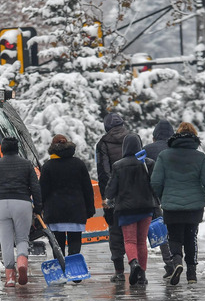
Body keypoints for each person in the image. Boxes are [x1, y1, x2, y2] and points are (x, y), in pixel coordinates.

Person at [150, 122, 205, 285]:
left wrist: (162, 197)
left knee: (174, 237)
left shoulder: (164, 156)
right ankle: (192, 275)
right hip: (194, 206)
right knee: (191, 236)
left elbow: (155, 181)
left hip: (171, 205)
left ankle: (177, 262)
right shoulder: (200, 157)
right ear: (195, 137)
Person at [0, 137, 42, 287]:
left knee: (5, 240)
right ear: (17, 149)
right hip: (22, 203)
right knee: (22, 238)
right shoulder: (26, 165)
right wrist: (38, 207)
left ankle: (10, 277)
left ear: (3, 150)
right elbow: (35, 188)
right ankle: (22, 262)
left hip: (1, 204)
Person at [104, 134, 158, 286]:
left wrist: (108, 199)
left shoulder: (118, 165)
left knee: (129, 240)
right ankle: (143, 275)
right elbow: (155, 185)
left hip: (126, 209)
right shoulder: (149, 163)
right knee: (142, 241)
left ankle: (134, 263)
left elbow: (110, 190)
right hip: (146, 208)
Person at [40, 134, 96, 259]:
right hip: (75, 211)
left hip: (55, 213)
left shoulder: (48, 166)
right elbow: (87, 188)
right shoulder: (78, 164)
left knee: (58, 245)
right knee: (75, 242)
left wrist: (38, 208)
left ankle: (61, 270)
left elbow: (42, 191)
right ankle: (74, 268)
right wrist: (90, 208)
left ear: (52, 147)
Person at [95, 112, 131, 282]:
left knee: (115, 232)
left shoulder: (102, 144)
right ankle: (137, 266)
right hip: (134, 192)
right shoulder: (133, 138)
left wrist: (107, 198)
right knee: (133, 233)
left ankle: (119, 271)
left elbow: (103, 172)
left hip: (114, 194)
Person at [143, 119, 176, 280]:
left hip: (153, 194)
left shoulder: (147, 149)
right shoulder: (177, 148)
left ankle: (169, 264)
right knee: (177, 228)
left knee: (160, 228)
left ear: (155, 136)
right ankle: (178, 259)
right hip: (175, 193)